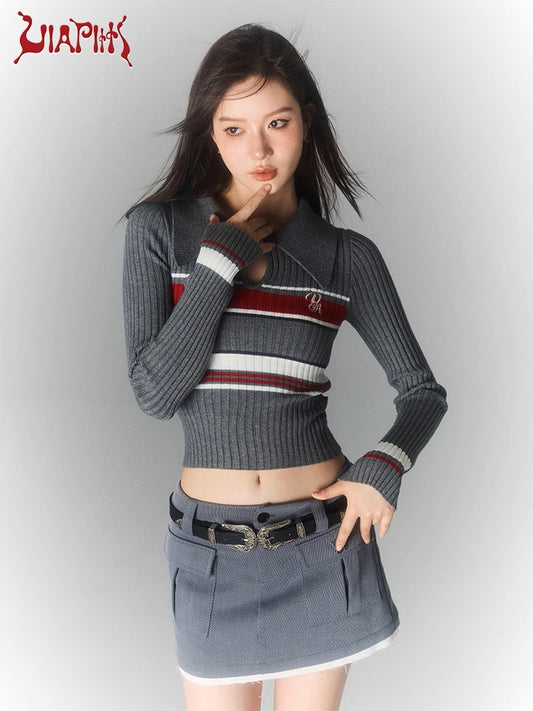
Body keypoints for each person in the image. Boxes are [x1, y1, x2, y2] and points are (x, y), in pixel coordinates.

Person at [122, 23, 448, 711]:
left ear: (307, 121)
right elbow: (154, 394)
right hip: (210, 557)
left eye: (277, 122)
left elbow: (422, 392)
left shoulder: (344, 257)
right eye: (234, 128)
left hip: (322, 545)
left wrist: (384, 465)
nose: (259, 150)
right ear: (210, 133)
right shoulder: (161, 233)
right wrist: (218, 263)